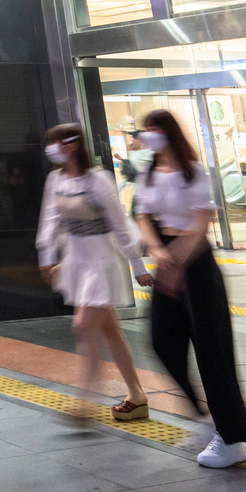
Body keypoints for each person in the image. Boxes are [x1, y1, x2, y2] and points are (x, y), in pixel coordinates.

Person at [135, 109, 246, 468]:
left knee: (211, 351)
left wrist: (175, 263)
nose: (149, 134)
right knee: (162, 342)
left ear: (170, 132)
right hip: (168, 262)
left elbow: (200, 223)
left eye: (155, 128)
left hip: (198, 267)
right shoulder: (149, 173)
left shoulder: (195, 172)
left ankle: (232, 439)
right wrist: (159, 254)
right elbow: (143, 216)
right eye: (147, 129)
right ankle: (205, 417)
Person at [36, 123, 152, 422]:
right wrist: (46, 256)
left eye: (57, 143)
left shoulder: (97, 180)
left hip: (101, 262)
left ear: (73, 145)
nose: (52, 149)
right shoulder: (56, 179)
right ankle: (137, 396)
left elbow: (119, 225)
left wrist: (137, 266)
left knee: (84, 327)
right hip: (76, 261)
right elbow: (50, 221)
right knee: (109, 330)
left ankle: (83, 401)